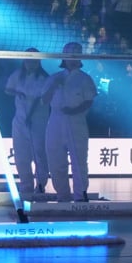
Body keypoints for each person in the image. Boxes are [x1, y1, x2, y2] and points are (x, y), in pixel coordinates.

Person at [43, 42, 97, 202]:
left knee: (79, 161)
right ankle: (62, 195)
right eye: (69, 57)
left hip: (76, 122)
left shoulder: (85, 79)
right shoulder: (54, 78)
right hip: (55, 121)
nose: (72, 60)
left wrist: (74, 111)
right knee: (55, 159)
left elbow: (89, 101)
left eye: (76, 56)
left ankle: (80, 195)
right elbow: (44, 100)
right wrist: (53, 86)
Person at [5, 50, 52, 197]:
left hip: (38, 122)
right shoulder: (17, 75)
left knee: (39, 153)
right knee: (21, 154)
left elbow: (40, 99)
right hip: (19, 121)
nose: (30, 64)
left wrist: (30, 116)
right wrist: (17, 93)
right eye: (28, 60)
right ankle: (26, 185)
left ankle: (41, 184)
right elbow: (8, 89)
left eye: (33, 61)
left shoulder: (44, 78)